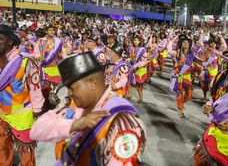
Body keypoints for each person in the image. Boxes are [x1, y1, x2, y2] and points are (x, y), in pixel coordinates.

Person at [30, 52, 146, 165]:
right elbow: (36, 131)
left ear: (93, 83)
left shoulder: (119, 120)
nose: (69, 93)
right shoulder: (75, 104)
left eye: (73, 88)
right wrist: (74, 125)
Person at [0, 24, 44, 165]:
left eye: (0, 39)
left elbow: (35, 89)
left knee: (26, 154)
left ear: (11, 41)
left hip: (22, 114)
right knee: (2, 150)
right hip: (2, 113)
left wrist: (37, 111)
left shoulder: (25, 62)